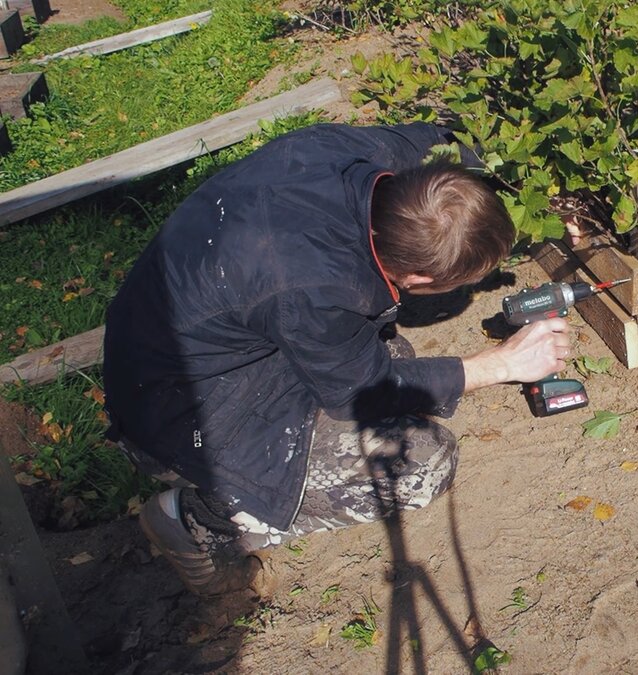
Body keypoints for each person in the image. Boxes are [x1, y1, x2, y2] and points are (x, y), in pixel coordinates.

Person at [102, 122, 573, 596]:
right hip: (185, 411)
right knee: (421, 464)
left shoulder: (346, 155)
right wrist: (502, 364)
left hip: (177, 340)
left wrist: (558, 199)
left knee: (397, 358)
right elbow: (362, 394)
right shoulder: (314, 290)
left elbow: (448, 136)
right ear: (417, 279)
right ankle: (199, 522)